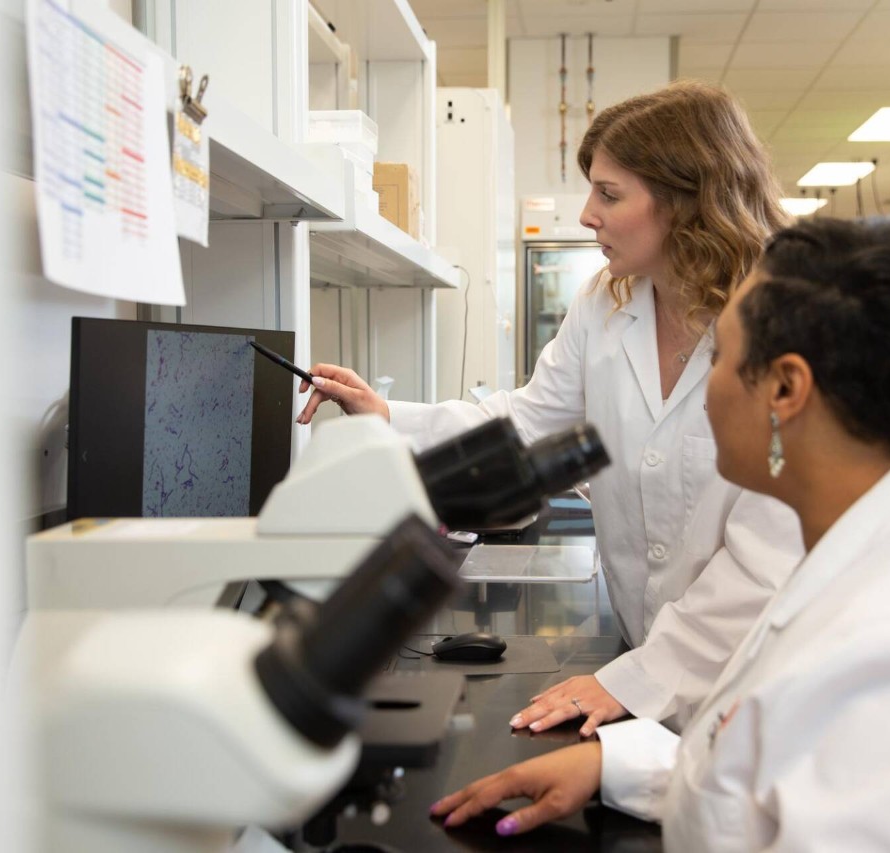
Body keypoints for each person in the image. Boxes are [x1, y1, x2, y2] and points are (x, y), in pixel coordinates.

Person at [428, 218, 890, 849]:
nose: (700, 388)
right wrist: (618, 767)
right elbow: (825, 771)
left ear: (785, 389)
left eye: (719, 357)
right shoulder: (880, 540)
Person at [297, 81, 803, 735]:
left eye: (610, 194)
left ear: (686, 201)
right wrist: (388, 417)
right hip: (638, 666)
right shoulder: (607, 302)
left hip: (755, 681)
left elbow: (771, 549)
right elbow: (529, 421)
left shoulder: (781, 321)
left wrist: (643, 678)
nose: (587, 213)